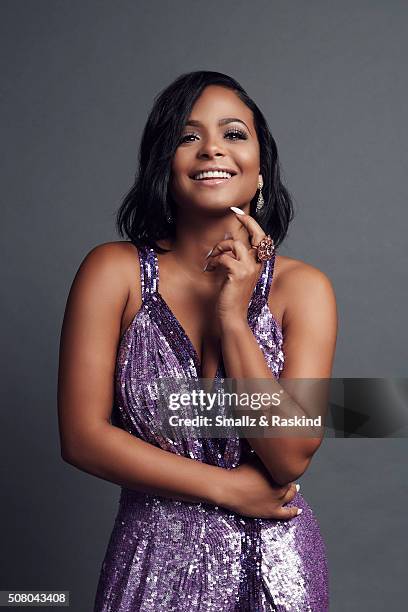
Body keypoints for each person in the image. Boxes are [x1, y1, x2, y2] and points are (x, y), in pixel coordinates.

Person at [57, 70, 337, 611]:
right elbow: (82, 436)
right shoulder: (112, 272)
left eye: (234, 134)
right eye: (188, 136)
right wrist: (229, 489)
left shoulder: (303, 289)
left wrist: (233, 315)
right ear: (165, 163)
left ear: (261, 170)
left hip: (278, 572)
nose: (212, 148)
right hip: (149, 568)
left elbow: (289, 456)